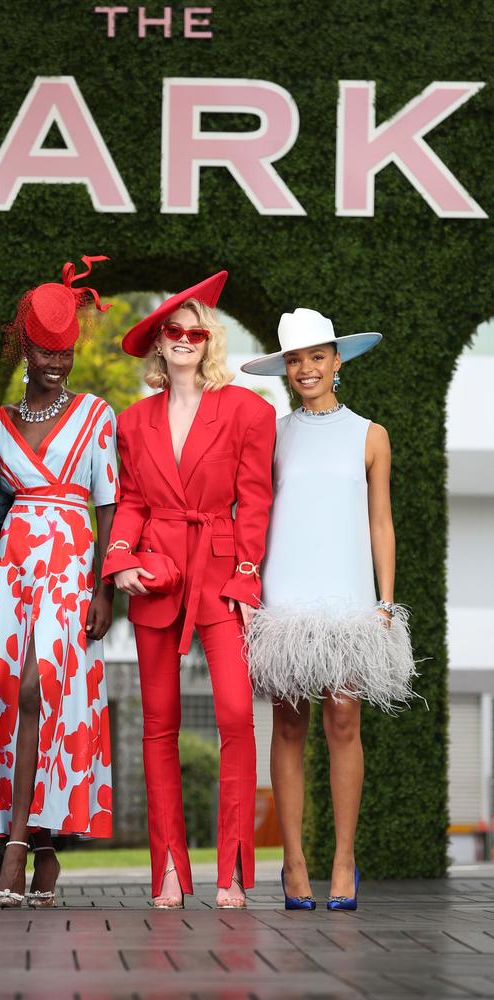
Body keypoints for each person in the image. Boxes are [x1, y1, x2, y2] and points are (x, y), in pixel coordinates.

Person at [101, 272, 276, 909]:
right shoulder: (133, 420)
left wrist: (246, 575)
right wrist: (118, 559)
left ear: (209, 342)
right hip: (155, 574)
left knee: (234, 715)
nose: (183, 340)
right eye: (172, 331)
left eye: (194, 332)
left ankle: (229, 871)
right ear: (159, 343)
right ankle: (169, 871)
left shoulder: (249, 411)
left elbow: (256, 500)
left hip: (223, 572)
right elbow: (132, 503)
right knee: (158, 727)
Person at [242, 307, 417, 912]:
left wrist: (385, 601)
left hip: (349, 598)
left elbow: (381, 522)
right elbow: (256, 515)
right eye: (295, 359)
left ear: (338, 361)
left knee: (344, 720)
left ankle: (344, 859)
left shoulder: (371, 435)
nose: (306, 368)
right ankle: (294, 864)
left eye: (317, 356)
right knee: (288, 723)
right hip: (285, 597)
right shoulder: (272, 434)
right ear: (285, 369)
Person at [0, 255, 118, 908]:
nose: (57, 364)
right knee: (11, 696)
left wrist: (106, 586)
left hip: (70, 564)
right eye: (46, 351)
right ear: (26, 347)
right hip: (11, 571)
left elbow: (111, 504)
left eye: (65, 352)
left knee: (43, 690)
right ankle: (43, 848)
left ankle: (13, 847)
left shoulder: (96, 416)